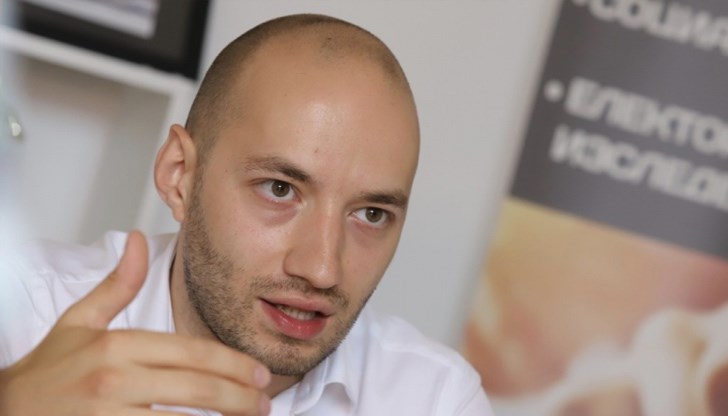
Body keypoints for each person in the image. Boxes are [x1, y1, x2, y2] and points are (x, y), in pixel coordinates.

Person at [0, 13, 493, 416]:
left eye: (371, 214)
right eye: (280, 189)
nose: (322, 269)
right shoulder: (26, 321)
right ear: (179, 175)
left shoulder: (434, 399)